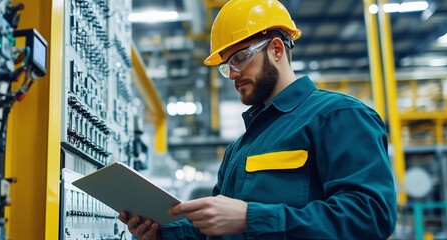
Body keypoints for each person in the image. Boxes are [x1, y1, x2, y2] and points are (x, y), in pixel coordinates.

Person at [118, 0, 397, 239]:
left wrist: (251, 218)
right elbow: (219, 231)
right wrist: (162, 233)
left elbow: (371, 216)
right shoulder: (238, 149)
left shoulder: (337, 116)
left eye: (240, 58)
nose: (233, 74)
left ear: (276, 49)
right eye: (227, 65)